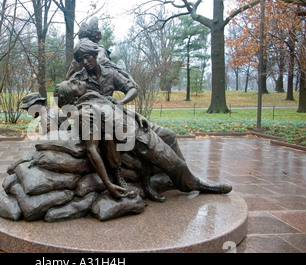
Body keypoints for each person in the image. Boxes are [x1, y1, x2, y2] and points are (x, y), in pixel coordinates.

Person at [54, 79, 232, 200]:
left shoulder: (95, 97)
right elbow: (92, 149)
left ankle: (178, 178)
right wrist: (108, 184)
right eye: (70, 84)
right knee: (178, 165)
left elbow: (117, 108)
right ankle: (192, 183)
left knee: (170, 136)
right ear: (72, 98)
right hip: (139, 139)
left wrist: (137, 115)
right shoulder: (84, 113)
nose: (75, 80)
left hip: (141, 125)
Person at [71, 37, 187, 161]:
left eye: (87, 57)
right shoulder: (78, 80)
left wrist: (121, 102)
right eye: (80, 60)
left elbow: (132, 89)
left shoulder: (110, 73)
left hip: (120, 116)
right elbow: (67, 102)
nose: (84, 62)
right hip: (100, 126)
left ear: (94, 54)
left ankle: (182, 176)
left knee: (169, 136)